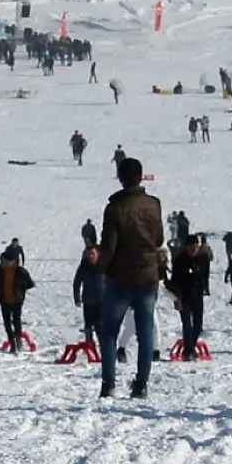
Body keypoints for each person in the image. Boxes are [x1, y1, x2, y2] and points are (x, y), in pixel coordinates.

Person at [97, 157, 165, 399]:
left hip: (121, 277)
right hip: (148, 275)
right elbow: (158, 239)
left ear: (120, 176)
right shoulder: (154, 204)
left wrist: (101, 270)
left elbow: (109, 246)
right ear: (141, 175)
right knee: (145, 328)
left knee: (109, 331)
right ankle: (141, 383)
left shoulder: (115, 208)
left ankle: (108, 383)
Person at [167, 234, 207, 360]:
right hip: (183, 296)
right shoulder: (179, 261)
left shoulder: (203, 258)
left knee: (198, 325)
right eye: (192, 247)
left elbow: (204, 276)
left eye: (196, 247)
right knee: (186, 324)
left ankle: (189, 348)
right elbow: (174, 282)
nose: (194, 249)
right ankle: (189, 352)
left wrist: (205, 288)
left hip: (197, 296)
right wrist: (177, 299)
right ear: (187, 247)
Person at [0, 251, 36, 353]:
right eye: (1, 260)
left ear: (12, 261)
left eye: (4, 261)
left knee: (16, 321)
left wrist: (21, 290)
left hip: (16, 301)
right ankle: (12, 344)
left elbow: (31, 284)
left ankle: (18, 341)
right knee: (7, 323)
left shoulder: (20, 271)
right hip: (4, 299)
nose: (2, 262)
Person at [73, 245, 106, 345]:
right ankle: (89, 347)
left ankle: (103, 347)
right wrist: (77, 297)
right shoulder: (84, 267)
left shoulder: (104, 265)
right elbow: (77, 282)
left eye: (93, 254)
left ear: (98, 254)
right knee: (88, 326)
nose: (91, 256)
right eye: (89, 254)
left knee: (100, 326)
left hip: (102, 301)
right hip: (88, 301)